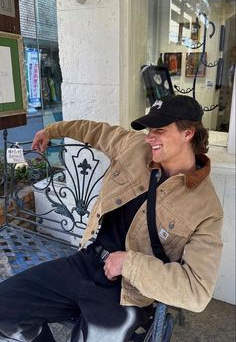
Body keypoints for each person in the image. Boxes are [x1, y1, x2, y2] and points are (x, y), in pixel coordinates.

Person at [0, 95, 223, 342]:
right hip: (86, 262)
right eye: (149, 129)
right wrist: (50, 131)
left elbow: (197, 291)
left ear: (188, 133)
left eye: (159, 130)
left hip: (128, 293)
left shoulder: (206, 207)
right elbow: (93, 131)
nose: (150, 137)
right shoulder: (135, 146)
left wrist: (129, 264)